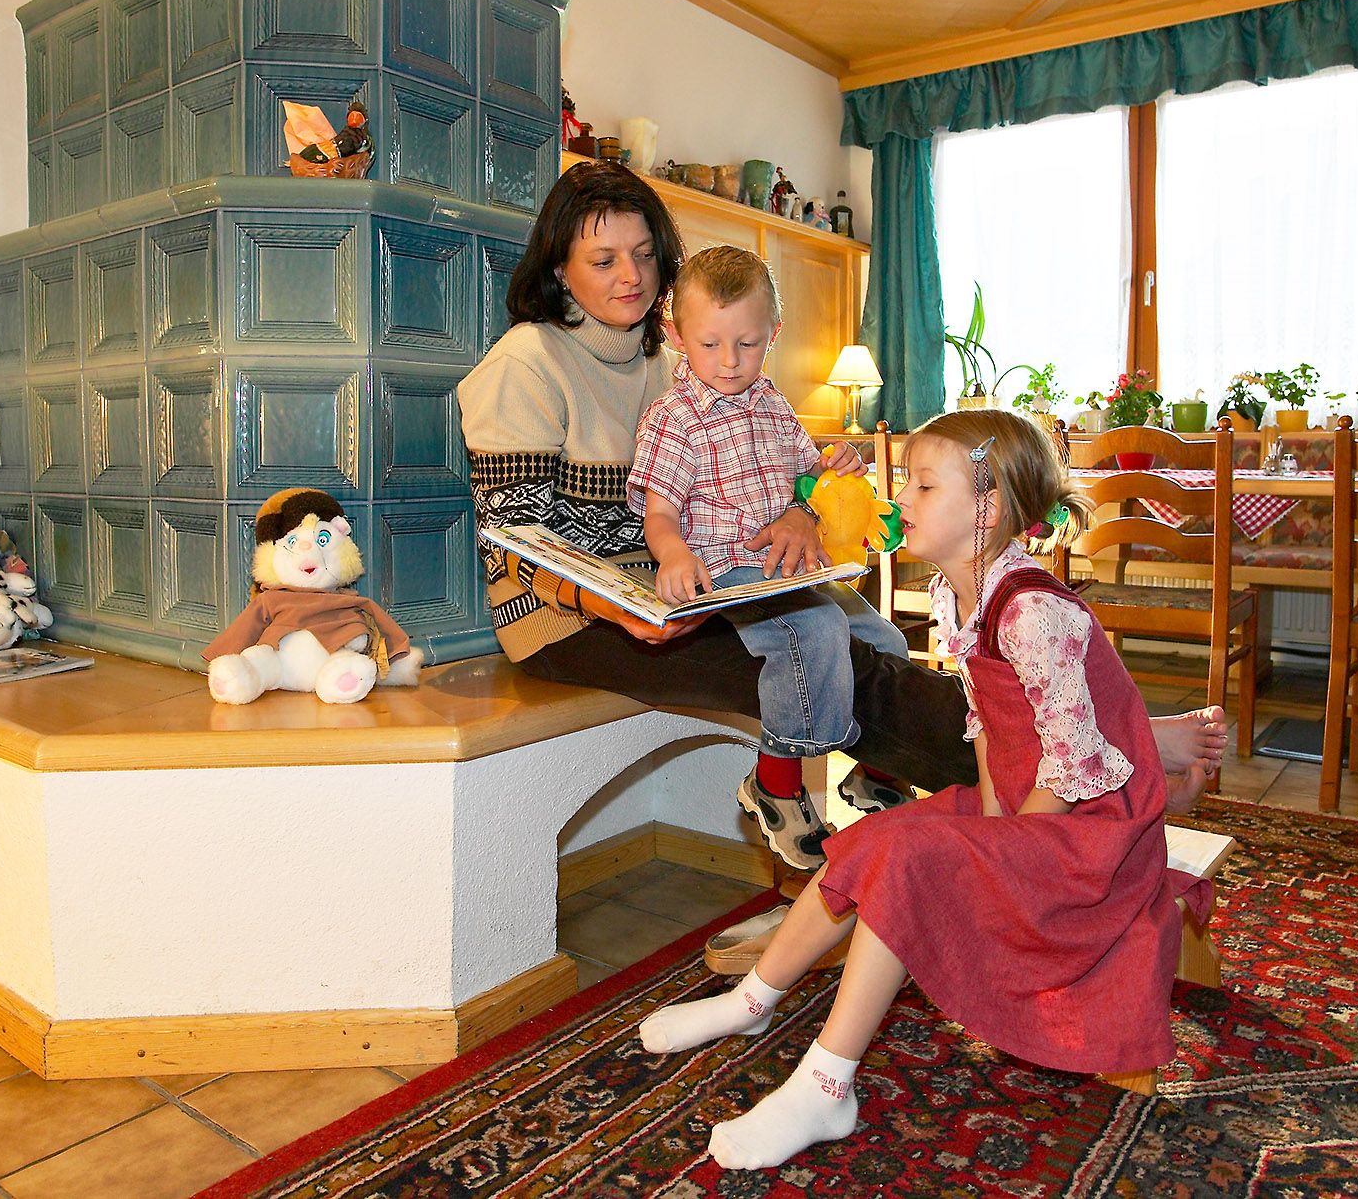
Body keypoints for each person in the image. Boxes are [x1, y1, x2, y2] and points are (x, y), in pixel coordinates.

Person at [456, 163, 1224, 852]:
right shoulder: (526, 365)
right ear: (559, 269)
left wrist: (799, 514)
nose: (632, 274)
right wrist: (615, 606)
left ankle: (1040, 756)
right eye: (603, 259)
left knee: (867, 628)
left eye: (645, 253)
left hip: (705, 581)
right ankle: (1102, 751)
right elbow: (520, 545)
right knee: (835, 659)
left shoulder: (682, 358)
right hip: (574, 617)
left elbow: (761, 475)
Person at [637, 408, 1213, 1170]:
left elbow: (1071, 769)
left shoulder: (1034, 612)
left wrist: (1005, 846)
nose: (900, 496)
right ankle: (751, 1002)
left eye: (923, 483)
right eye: (905, 479)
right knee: (865, 842)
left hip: (1087, 839)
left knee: (909, 862)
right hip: (1023, 808)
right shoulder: (958, 593)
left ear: (987, 508)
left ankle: (827, 1082)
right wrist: (990, 821)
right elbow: (990, 728)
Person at [630, 246, 909, 870]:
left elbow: (808, 479)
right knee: (813, 629)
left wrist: (835, 468)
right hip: (728, 570)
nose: (729, 363)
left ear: (773, 336)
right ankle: (778, 782)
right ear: (677, 336)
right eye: (709, 345)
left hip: (796, 566)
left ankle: (878, 769)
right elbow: (659, 511)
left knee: (885, 638)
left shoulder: (773, 402)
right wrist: (671, 554)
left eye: (748, 345)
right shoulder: (673, 420)